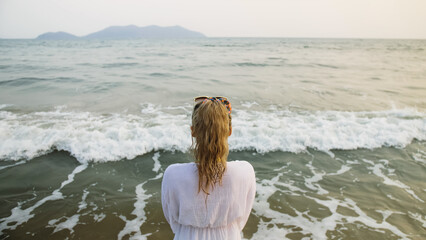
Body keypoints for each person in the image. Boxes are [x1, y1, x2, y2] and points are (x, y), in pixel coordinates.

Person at [161, 96, 256, 240]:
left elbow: (172, 220)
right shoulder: (245, 171)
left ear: (193, 131)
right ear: (229, 131)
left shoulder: (173, 175)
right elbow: (242, 219)